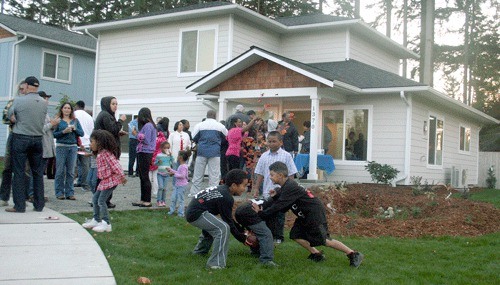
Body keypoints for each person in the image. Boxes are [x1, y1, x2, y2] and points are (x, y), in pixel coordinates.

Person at [252, 161, 364, 267]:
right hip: (304, 215)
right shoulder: (286, 186)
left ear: (280, 175)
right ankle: (317, 254)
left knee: (324, 240)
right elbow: (280, 201)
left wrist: (261, 213)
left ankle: (353, 254)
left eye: (272, 175)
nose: (270, 177)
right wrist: (272, 198)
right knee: (296, 235)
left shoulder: (290, 186)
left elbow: (279, 206)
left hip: (314, 214)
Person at [186, 169, 248, 269]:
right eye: (244, 185)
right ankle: (215, 264)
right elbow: (228, 222)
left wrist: (241, 231)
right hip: (196, 214)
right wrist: (242, 238)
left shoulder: (223, 190)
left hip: (194, 212)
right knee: (222, 228)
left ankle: (199, 252)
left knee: (215, 226)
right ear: (233, 185)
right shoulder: (226, 197)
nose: (245, 189)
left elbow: (229, 218)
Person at [5, 76, 47, 213]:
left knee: (19, 171)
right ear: (37, 87)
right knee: (37, 172)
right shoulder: (43, 102)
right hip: (37, 139)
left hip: (21, 137)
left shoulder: (19, 100)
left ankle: (19, 205)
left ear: (27, 86)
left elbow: (9, 116)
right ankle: (39, 204)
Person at [252, 131, 297, 244]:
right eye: (269, 141)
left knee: (279, 214)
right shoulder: (264, 156)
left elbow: (291, 174)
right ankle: (268, 235)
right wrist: (256, 188)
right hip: (267, 190)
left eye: (274, 141)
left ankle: (278, 236)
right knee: (267, 212)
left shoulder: (286, 156)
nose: (271, 143)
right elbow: (260, 173)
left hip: (281, 191)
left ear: (280, 142)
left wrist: (289, 190)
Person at [82, 130, 127, 232]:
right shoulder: (100, 153)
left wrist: (122, 177)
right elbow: (99, 158)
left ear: (99, 142)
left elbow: (116, 165)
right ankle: (96, 220)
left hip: (110, 180)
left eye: (92, 141)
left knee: (101, 201)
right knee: (95, 199)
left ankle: (106, 223)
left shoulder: (106, 154)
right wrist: (90, 154)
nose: (90, 144)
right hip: (104, 181)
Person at [94, 96, 127, 208]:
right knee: (106, 176)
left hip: (108, 148)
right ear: (107, 104)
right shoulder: (105, 115)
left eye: (116, 104)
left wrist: (118, 133)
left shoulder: (108, 115)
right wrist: (121, 121)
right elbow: (112, 130)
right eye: (113, 104)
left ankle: (103, 200)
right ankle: (102, 200)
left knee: (106, 175)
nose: (115, 106)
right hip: (106, 150)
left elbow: (111, 132)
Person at [0, 80, 27, 207]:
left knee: (24, 170)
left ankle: (23, 198)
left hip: (27, 137)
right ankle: (4, 197)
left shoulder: (30, 104)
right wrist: (10, 119)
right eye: (20, 89)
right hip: (13, 135)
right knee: (7, 168)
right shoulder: (13, 102)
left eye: (24, 89)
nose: (22, 91)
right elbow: (4, 117)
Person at [189, 110, 228, 196]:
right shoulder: (220, 126)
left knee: (198, 174)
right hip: (215, 152)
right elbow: (226, 137)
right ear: (215, 116)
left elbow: (194, 137)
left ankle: (194, 192)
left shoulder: (199, 125)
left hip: (201, 151)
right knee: (214, 174)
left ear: (207, 115)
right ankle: (213, 193)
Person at [53, 102, 84, 200]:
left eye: (69, 108)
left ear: (71, 110)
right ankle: (59, 192)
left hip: (72, 147)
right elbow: (54, 134)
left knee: (71, 171)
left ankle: (70, 192)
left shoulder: (75, 121)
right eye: (65, 108)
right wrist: (63, 132)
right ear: (61, 109)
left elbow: (82, 133)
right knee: (60, 171)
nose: (67, 110)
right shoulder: (58, 121)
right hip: (61, 146)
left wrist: (75, 129)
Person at [235, 200, 278, 267]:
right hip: (249, 211)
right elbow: (271, 225)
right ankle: (266, 260)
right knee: (265, 234)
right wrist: (270, 242)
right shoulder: (274, 206)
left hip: (239, 211)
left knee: (256, 232)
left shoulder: (266, 201)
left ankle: (255, 252)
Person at [133, 107, 157, 208]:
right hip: (145, 152)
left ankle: (147, 200)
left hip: (145, 152)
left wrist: (136, 134)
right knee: (142, 176)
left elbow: (146, 140)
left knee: (145, 177)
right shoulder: (151, 125)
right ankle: (143, 199)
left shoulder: (148, 125)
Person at [74, 101, 94, 191]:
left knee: (73, 165)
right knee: (85, 165)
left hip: (76, 143)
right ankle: (84, 183)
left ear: (76, 106)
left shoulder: (74, 114)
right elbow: (92, 130)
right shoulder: (89, 117)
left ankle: (72, 183)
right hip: (86, 143)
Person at [167, 149, 191, 216]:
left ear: (180, 157)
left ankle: (181, 213)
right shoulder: (181, 166)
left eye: (178, 156)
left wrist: (173, 174)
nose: (177, 157)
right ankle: (171, 210)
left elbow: (182, 176)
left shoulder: (183, 166)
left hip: (181, 186)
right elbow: (179, 173)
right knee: (173, 198)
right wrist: (171, 170)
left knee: (181, 199)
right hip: (177, 185)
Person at [155, 141, 172, 207]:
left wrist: (170, 156)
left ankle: (163, 200)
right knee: (160, 187)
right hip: (160, 174)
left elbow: (172, 163)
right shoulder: (159, 155)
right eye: (165, 148)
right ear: (161, 148)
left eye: (168, 148)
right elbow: (155, 163)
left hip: (166, 174)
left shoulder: (169, 155)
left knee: (164, 188)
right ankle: (158, 200)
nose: (166, 149)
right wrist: (158, 162)